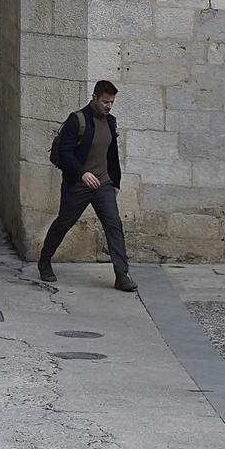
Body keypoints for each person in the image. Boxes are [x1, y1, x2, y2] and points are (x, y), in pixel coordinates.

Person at [37, 79, 138, 292]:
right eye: (105, 102)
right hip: (78, 184)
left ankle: (122, 275)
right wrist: (82, 174)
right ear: (94, 97)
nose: (109, 106)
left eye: (111, 102)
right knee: (64, 223)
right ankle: (44, 261)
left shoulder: (110, 122)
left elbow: (112, 154)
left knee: (114, 226)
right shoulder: (77, 120)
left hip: (103, 184)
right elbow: (64, 154)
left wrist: (115, 182)